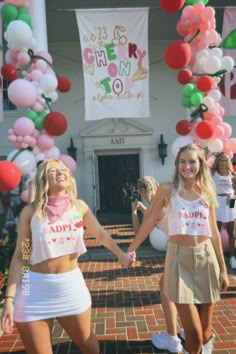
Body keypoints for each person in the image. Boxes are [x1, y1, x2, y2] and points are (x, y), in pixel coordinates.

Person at [1, 159, 133, 354]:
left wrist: (121, 255)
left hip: (70, 287)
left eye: (63, 169)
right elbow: (22, 255)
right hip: (32, 289)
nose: (60, 172)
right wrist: (9, 299)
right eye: (53, 170)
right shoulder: (31, 212)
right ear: (43, 178)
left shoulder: (78, 207)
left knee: (89, 347)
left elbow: (101, 234)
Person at [128, 144, 229, 354]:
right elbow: (147, 222)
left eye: (192, 161)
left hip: (206, 258)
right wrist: (131, 248)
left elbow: (214, 231)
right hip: (178, 260)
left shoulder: (208, 192)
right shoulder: (167, 189)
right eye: (183, 162)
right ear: (177, 164)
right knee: (193, 336)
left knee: (204, 332)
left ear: (200, 164)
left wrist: (223, 269)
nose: (187, 166)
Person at [131, 176, 182, 353]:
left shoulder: (157, 201)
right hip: (179, 246)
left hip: (178, 247)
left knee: (167, 288)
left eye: (143, 190)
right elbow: (153, 216)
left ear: (149, 189)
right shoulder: (158, 202)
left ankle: (172, 337)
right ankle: (183, 331)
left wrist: (131, 249)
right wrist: (138, 211)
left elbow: (141, 229)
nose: (142, 194)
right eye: (140, 191)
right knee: (175, 289)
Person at [212, 152, 236, 269]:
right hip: (217, 202)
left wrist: (233, 197)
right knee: (216, 232)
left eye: (225, 160)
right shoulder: (213, 174)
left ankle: (232, 257)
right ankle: (216, 257)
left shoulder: (232, 174)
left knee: (231, 232)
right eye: (221, 160)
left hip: (230, 202)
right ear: (217, 162)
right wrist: (211, 204)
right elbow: (207, 191)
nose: (223, 163)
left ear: (228, 163)